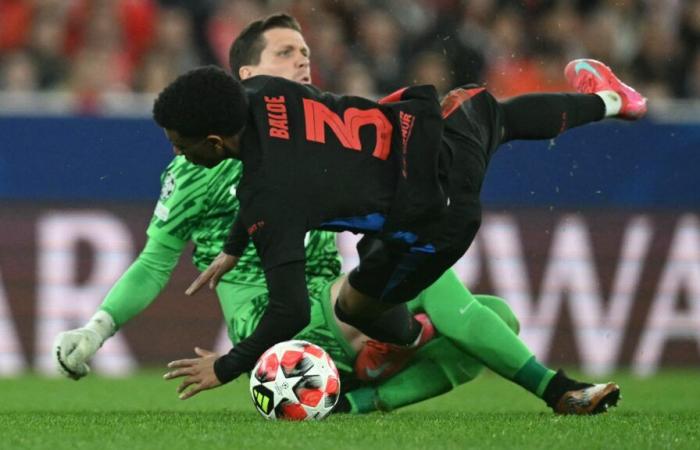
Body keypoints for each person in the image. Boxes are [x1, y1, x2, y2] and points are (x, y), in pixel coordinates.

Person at [52, 13, 545, 415]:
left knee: (498, 317)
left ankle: (358, 401)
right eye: (285, 54)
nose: (303, 61)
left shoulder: (325, 132)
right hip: (276, 328)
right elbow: (155, 262)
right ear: (248, 76)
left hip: (340, 308)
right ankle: (553, 388)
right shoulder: (196, 168)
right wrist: (97, 329)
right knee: (425, 264)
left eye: (306, 51)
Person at [155, 43, 646, 410]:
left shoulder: (271, 198)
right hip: (437, 132)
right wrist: (236, 246)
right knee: (495, 114)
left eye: (182, 144)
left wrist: (225, 366)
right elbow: (273, 169)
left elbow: (288, 310)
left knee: (357, 303)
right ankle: (612, 101)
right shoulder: (264, 90)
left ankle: (413, 342)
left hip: (435, 216)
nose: (179, 152)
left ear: (216, 142)